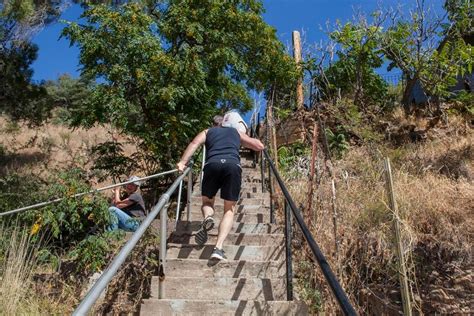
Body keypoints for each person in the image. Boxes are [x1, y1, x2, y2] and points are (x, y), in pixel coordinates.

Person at [176, 115, 264, 260]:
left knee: (207, 202)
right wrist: (244, 142)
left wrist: (182, 162)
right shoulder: (235, 132)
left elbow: (194, 143)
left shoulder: (207, 132)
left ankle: (208, 217)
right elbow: (258, 146)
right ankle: (218, 248)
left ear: (213, 124)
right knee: (229, 209)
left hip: (212, 165)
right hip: (232, 166)